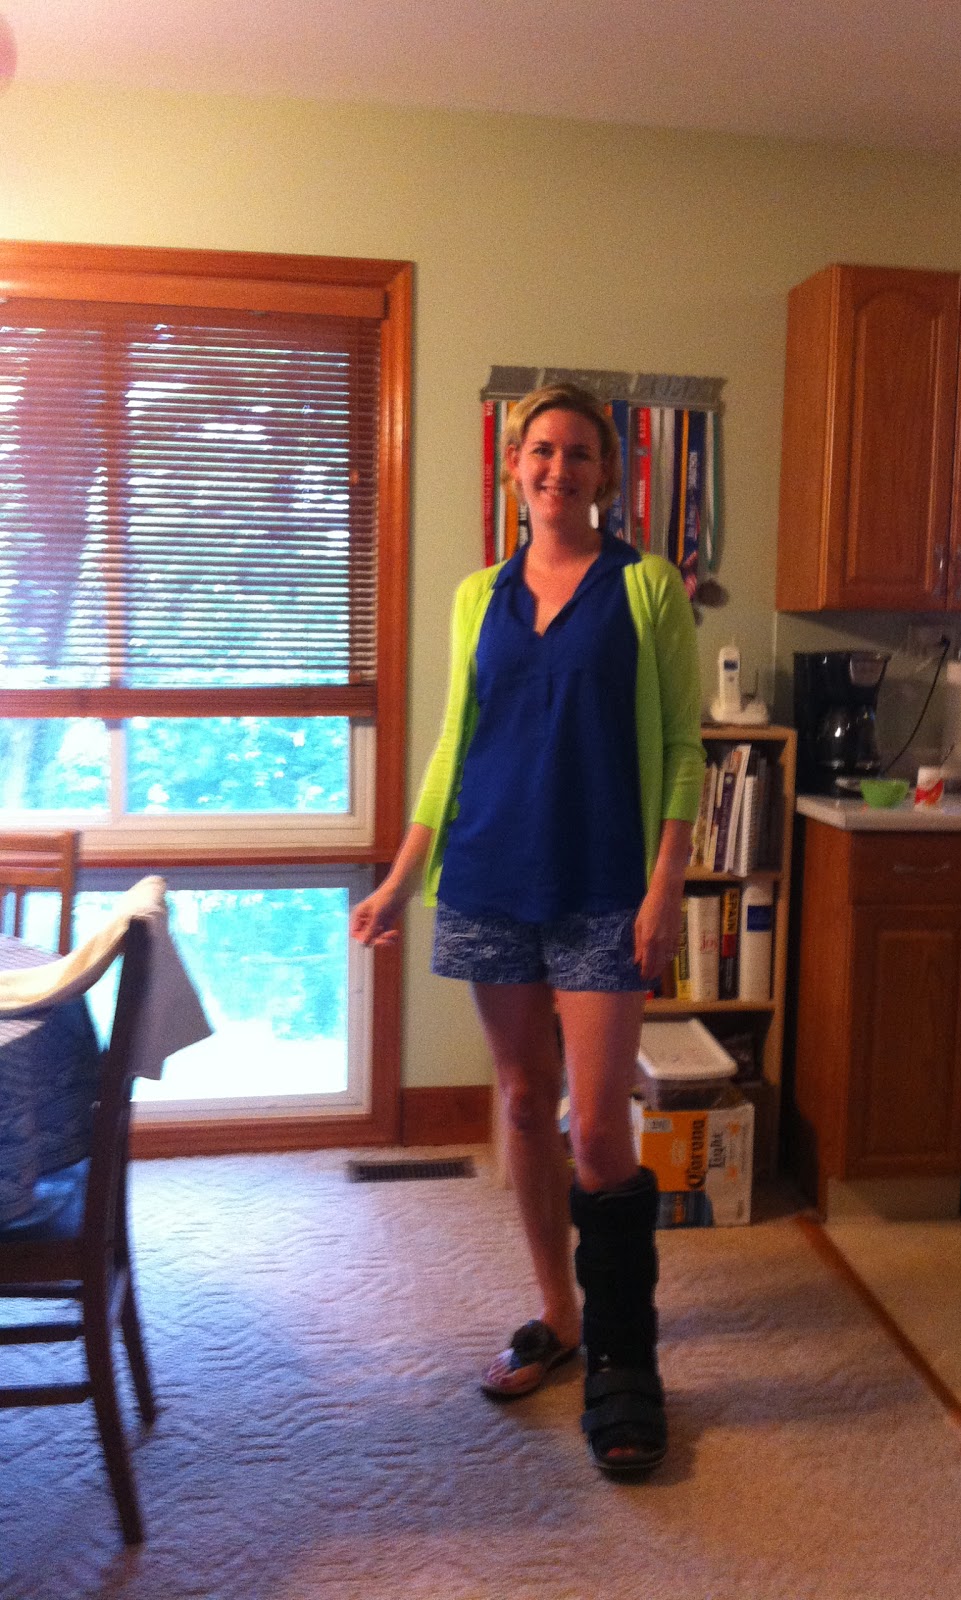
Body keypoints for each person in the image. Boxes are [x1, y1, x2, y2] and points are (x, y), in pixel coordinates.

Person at [350, 382, 704, 1476]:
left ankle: (626, 1359)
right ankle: (560, 1315)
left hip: (603, 883)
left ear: (607, 473)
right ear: (514, 468)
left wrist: (664, 887)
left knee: (594, 1130)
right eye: (540, 450)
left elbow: (682, 750)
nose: (558, 468)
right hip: (489, 875)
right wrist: (402, 878)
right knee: (517, 1100)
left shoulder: (647, 586)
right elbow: (453, 743)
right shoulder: (477, 596)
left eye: (578, 452)